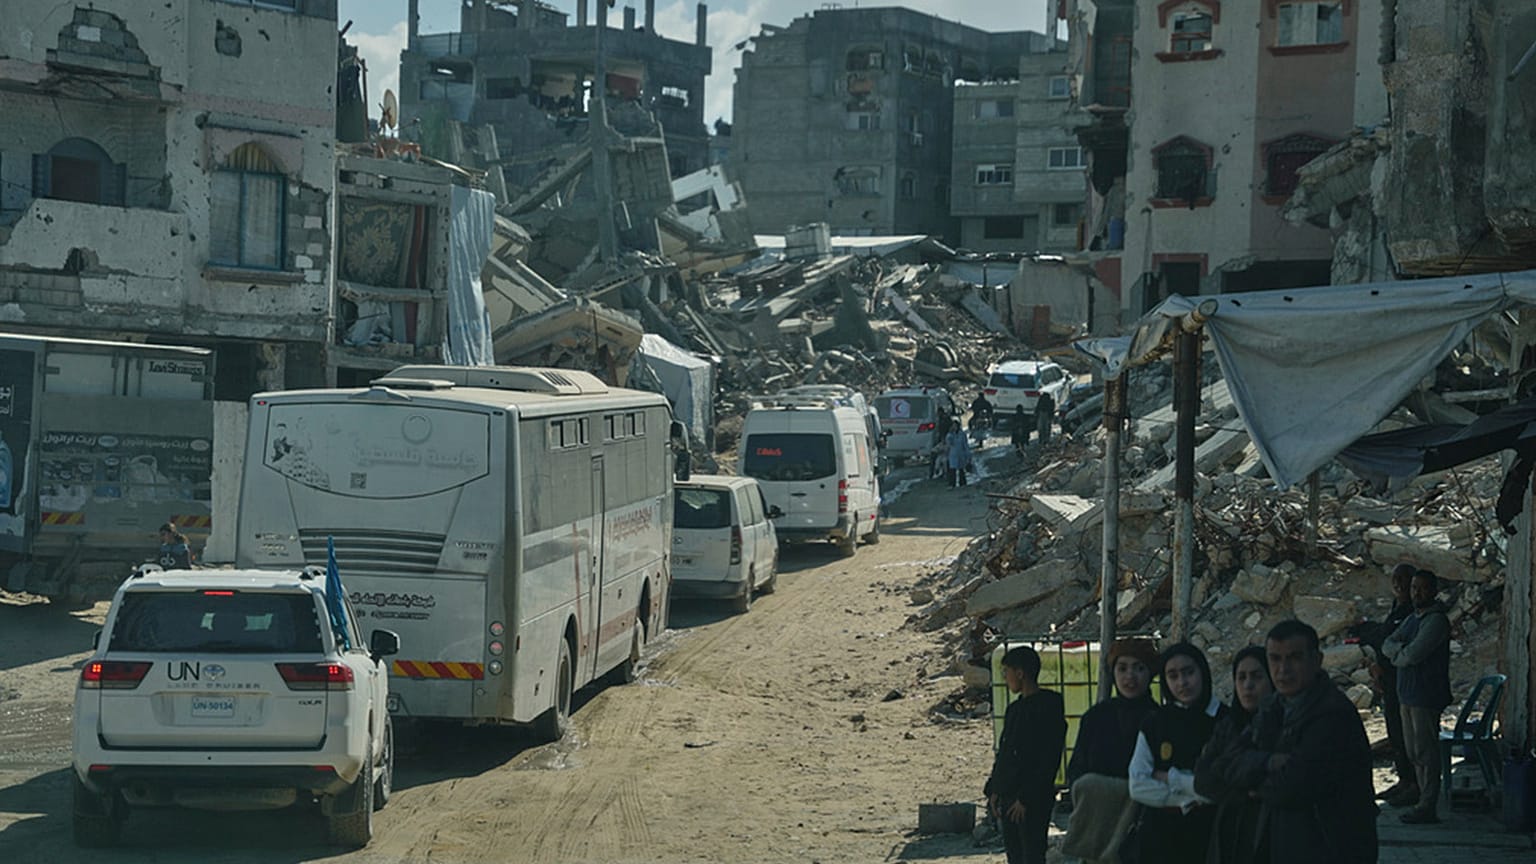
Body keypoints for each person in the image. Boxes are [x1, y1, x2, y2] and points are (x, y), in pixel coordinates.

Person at [1219, 620, 1378, 863]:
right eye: (1275, 659)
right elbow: (1229, 763)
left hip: (1331, 848)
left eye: (1294, 658)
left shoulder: (1332, 714)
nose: (1283, 670)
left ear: (1317, 660)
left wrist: (1255, 786)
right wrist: (1270, 762)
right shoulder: (1274, 706)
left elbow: (1293, 786)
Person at [1060, 639, 1159, 863]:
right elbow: (1076, 771)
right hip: (1097, 835)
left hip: (1143, 837)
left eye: (1139, 668)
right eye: (1122, 668)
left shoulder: (1162, 721)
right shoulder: (1095, 718)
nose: (1129, 677)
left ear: (1150, 673)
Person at [1128, 642, 1223, 864]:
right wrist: (1185, 799)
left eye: (1189, 672)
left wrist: (1171, 778)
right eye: (1173, 675)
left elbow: (1220, 788)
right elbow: (1138, 784)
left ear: (1203, 672)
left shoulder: (1223, 720)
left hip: (1209, 835)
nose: (1182, 683)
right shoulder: (1155, 722)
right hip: (1159, 838)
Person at [1382, 568, 1453, 824]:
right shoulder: (1414, 618)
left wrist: (1398, 655)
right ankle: (1422, 799)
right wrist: (1400, 653)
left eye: (1422, 588)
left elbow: (1413, 654)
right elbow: (1388, 642)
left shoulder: (1435, 621)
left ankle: (1428, 804)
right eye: (1414, 588)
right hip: (1407, 695)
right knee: (1414, 752)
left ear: (1433, 590)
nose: (1416, 593)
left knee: (1426, 753)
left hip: (1425, 695)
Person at [985, 646, 1067, 864]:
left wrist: (1026, 798)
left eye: (1007, 672)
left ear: (1020, 673)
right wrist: (995, 789)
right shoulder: (1015, 710)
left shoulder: (1048, 706)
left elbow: (1048, 758)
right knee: (1015, 856)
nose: (1005, 677)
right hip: (1009, 795)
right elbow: (1005, 752)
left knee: (1032, 855)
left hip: (1032, 799)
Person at [1193, 645, 1274, 864]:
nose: (1248, 686)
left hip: (1270, 834)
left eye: (1257, 676)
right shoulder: (1227, 726)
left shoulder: (1283, 725)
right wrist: (1243, 793)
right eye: (1241, 677)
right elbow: (1202, 779)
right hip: (1227, 832)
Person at [1349, 562, 1418, 803]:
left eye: (1404, 580)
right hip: (1389, 681)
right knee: (1395, 734)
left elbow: (1396, 647)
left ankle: (1414, 785)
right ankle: (1404, 780)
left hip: (1405, 684)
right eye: (1395, 580)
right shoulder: (1397, 607)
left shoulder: (1414, 613)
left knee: (1407, 736)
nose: (1399, 585)